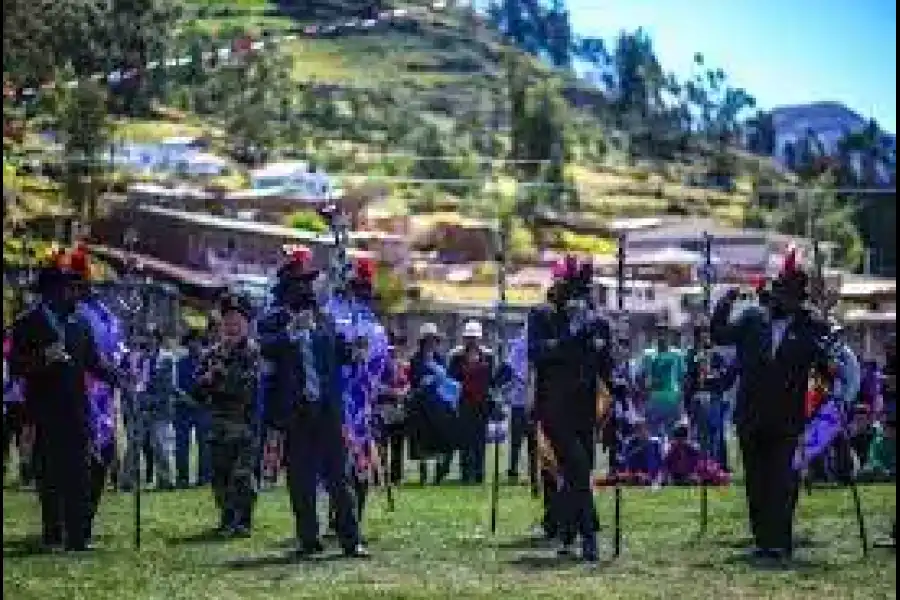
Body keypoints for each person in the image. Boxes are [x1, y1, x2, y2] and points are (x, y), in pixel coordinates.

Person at [710, 249, 856, 561]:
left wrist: (830, 359)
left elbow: (829, 362)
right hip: (751, 414)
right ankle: (763, 540)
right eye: (783, 292)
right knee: (756, 481)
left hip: (788, 418)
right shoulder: (752, 318)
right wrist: (724, 303)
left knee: (784, 481)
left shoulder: (811, 327)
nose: (787, 300)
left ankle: (781, 540)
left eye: (794, 295)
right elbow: (719, 334)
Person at [259, 252, 368, 558]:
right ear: (287, 288)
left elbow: (341, 353)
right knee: (301, 480)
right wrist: (291, 332)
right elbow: (264, 348)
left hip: (328, 409)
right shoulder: (273, 321)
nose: (307, 290)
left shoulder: (325, 320)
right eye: (300, 284)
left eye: (310, 283)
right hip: (294, 411)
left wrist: (356, 350)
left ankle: (351, 539)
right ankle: (309, 540)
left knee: (339, 476)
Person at [9, 257, 121, 551]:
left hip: (77, 411)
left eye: (76, 287)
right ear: (51, 292)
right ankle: (52, 534)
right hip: (43, 413)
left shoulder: (80, 323)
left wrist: (118, 377)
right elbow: (16, 366)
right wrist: (44, 359)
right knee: (49, 477)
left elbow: (94, 362)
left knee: (80, 475)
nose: (75, 294)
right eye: (69, 288)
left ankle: (78, 537)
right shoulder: (26, 324)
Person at [527, 258, 612, 563]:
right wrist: (571, 336)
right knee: (576, 466)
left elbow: (606, 367)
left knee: (580, 471)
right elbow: (537, 353)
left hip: (585, 409)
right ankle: (589, 537)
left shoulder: (597, 322)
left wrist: (622, 392)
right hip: (554, 407)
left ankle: (563, 531)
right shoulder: (541, 316)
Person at [193, 293, 262, 537]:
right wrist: (208, 381)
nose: (232, 326)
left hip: (244, 424)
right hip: (218, 424)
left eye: (237, 321)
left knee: (242, 475)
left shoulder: (254, 353)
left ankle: (243, 520)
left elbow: (246, 388)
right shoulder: (211, 354)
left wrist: (218, 380)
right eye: (228, 321)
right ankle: (226, 518)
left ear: (246, 324)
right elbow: (198, 390)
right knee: (220, 475)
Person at [123, 325, 177, 491]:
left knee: (160, 445)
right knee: (133, 446)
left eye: (152, 337)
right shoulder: (138, 358)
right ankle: (127, 481)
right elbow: (133, 382)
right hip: (139, 408)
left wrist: (149, 402)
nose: (149, 340)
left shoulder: (166, 358)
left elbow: (166, 387)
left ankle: (165, 480)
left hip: (159, 409)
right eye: (147, 337)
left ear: (158, 339)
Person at [448, 320, 496, 485]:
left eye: (474, 337)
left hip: (482, 403)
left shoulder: (488, 356)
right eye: (469, 337)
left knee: (480, 440)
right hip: (464, 402)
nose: (471, 340)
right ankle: (466, 473)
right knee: (465, 439)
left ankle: (479, 473)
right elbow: (451, 379)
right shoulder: (456, 356)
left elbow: (492, 380)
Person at [407, 322, 454, 485]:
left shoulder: (440, 358)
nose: (430, 343)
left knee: (439, 439)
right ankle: (423, 473)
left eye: (433, 340)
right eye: (427, 340)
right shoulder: (415, 359)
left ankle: (439, 473)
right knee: (422, 439)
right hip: (420, 404)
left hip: (437, 404)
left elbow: (446, 380)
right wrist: (425, 381)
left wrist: (436, 379)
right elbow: (414, 381)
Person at [174, 329, 211, 488]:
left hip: (203, 409)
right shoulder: (179, 364)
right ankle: (182, 478)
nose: (194, 345)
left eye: (197, 342)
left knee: (205, 445)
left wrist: (204, 399)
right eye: (191, 341)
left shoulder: (210, 363)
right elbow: (173, 386)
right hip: (183, 409)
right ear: (187, 344)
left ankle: (204, 477)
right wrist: (186, 398)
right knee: (181, 445)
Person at [640, 327, 686, 439]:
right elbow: (642, 377)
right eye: (659, 333)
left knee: (673, 437)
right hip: (654, 401)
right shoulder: (648, 354)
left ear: (669, 336)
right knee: (653, 438)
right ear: (655, 335)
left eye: (665, 333)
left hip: (672, 401)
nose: (662, 337)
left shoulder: (677, 355)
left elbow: (682, 378)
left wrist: (681, 398)